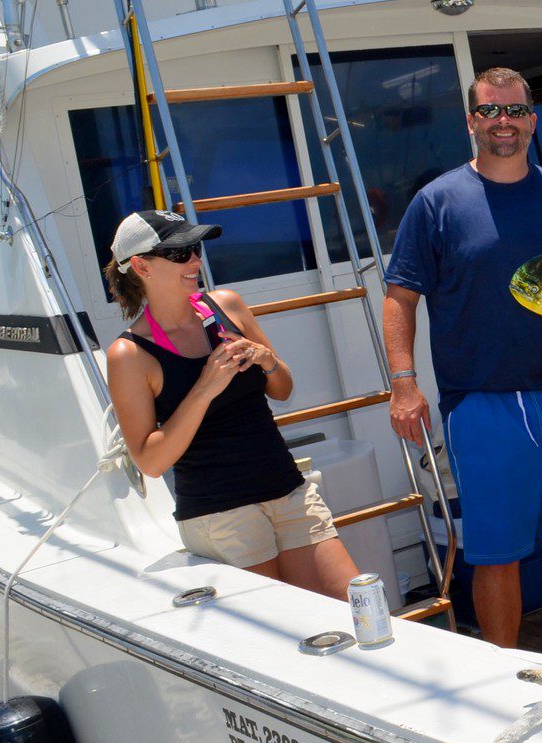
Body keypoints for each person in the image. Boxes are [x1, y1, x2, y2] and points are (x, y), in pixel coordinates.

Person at [382, 67, 542, 652]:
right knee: (496, 551)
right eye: (490, 112)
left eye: (514, 111)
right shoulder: (435, 203)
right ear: (471, 122)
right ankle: (503, 677)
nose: (504, 123)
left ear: (532, 121)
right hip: (481, 402)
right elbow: (399, 296)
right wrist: (404, 384)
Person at [104, 210, 359, 599]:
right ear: (141, 266)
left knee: (353, 607)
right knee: (276, 635)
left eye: (195, 248)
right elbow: (150, 462)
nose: (194, 260)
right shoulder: (129, 354)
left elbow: (283, 389)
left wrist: (267, 360)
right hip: (220, 513)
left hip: (287, 490)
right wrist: (204, 387)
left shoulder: (227, 305)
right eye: (179, 253)